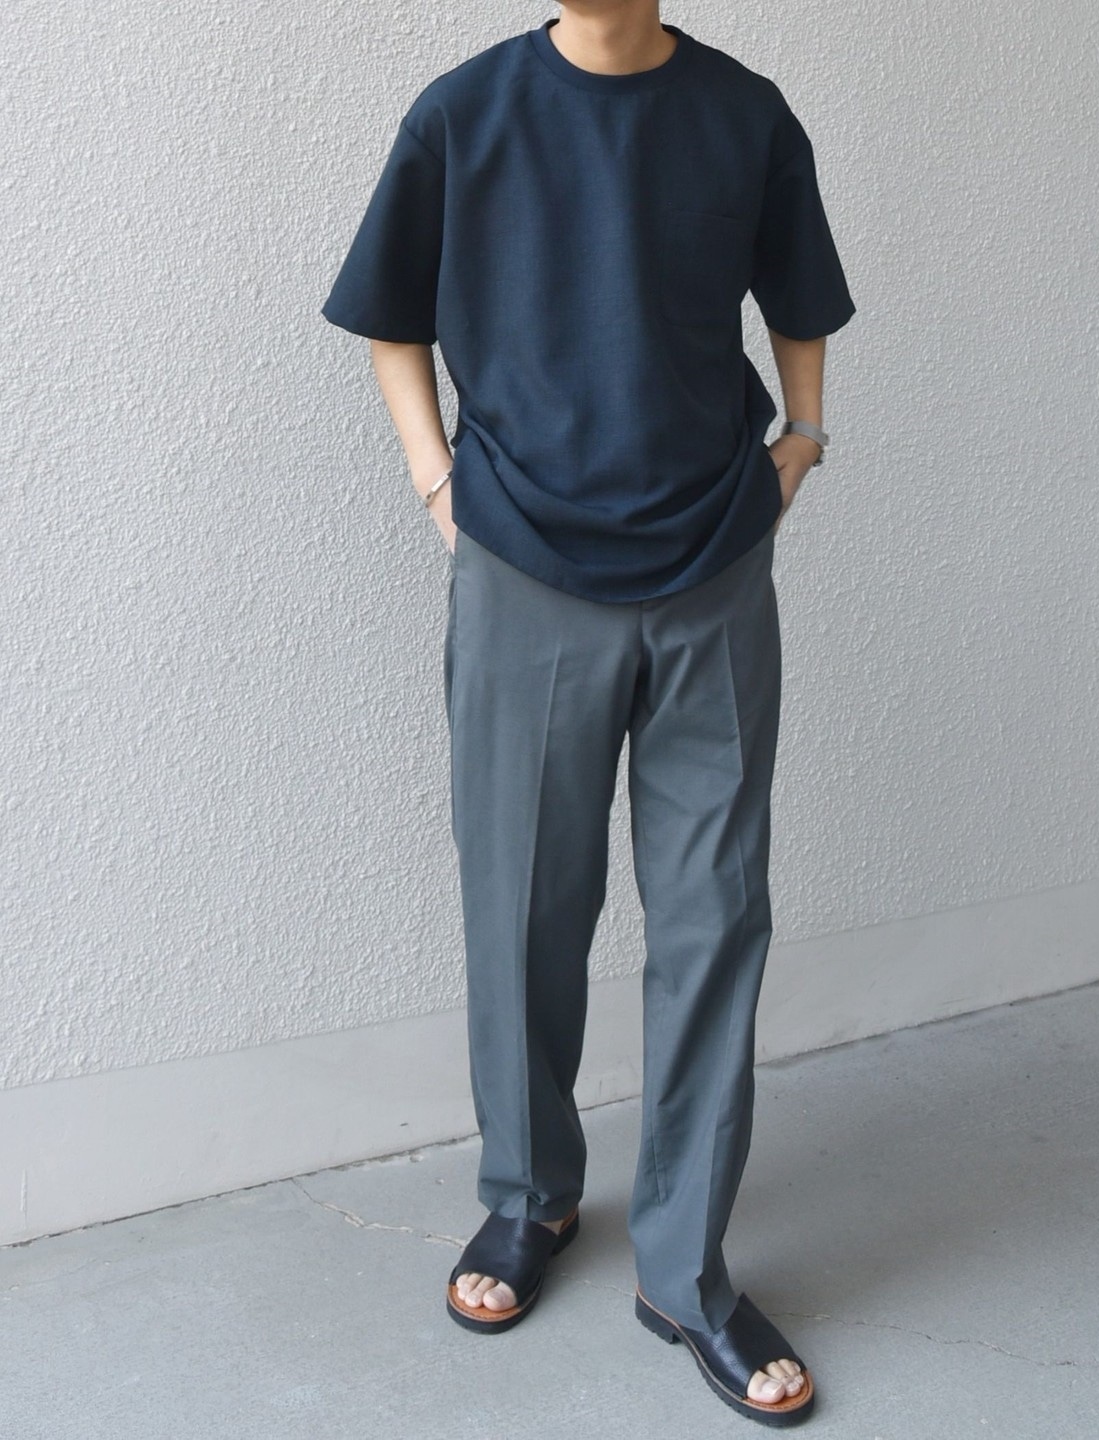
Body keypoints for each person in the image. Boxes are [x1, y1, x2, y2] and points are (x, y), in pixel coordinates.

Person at [321, 2, 855, 1425]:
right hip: (525, 567)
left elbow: (802, 298)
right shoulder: (465, 115)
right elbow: (390, 320)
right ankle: (528, 1196)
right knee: (523, 903)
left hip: (712, 564)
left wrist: (801, 439)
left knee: (714, 916)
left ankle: (686, 1269)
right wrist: (439, 485)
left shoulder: (743, 114)